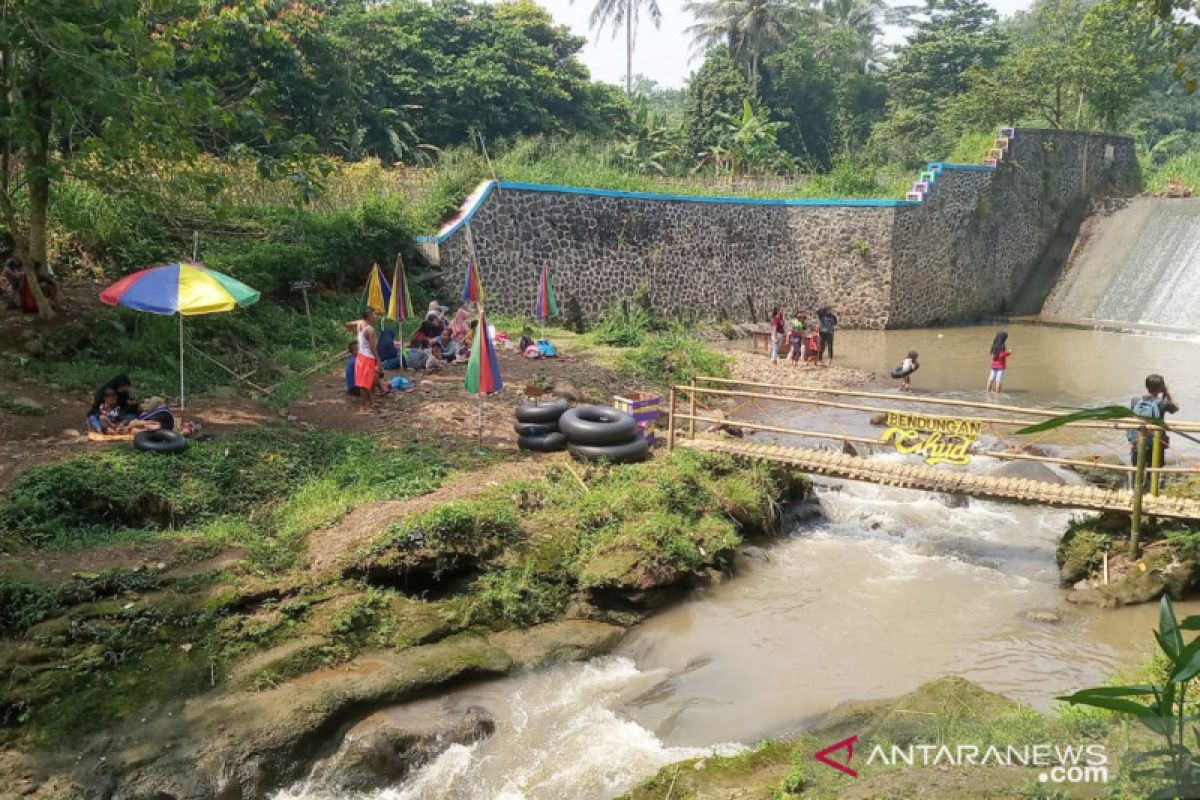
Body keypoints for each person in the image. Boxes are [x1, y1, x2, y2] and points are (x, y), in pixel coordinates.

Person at [1129, 373, 1179, 468]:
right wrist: (1167, 394)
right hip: (1157, 442)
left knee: (1137, 470)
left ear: (1146, 386)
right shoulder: (1163, 403)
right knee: (1155, 471)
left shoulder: (1135, 400)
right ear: (1161, 388)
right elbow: (1176, 407)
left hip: (1138, 441)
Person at [345, 308, 378, 413]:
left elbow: (347, 324)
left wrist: (354, 331)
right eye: (374, 315)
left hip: (361, 357)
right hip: (368, 358)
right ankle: (362, 407)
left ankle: (370, 403)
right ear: (369, 316)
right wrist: (378, 360)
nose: (376, 317)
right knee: (365, 384)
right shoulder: (370, 330)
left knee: (365, 382)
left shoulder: (360, 323)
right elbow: (373, 348)